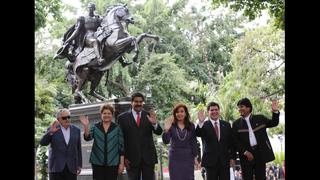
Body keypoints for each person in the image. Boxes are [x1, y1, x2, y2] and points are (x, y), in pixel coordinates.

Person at [117, 92, 163, 180]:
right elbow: (120, 140)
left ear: (143, 103)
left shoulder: (149, 115)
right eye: (136, 101)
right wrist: (123, 158)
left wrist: (155, 124)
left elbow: (159, 132)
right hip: (131, 159)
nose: (138, 104)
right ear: (132, 102)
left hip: (148, 158)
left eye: (141, 102)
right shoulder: (122, 118)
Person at [232, 98, 280, 180]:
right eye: (239, 107)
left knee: (261, 177)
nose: (239, 109)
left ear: (248, 108)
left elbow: (274, 123)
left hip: (260, 154)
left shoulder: (260, 118)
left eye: (242, 107)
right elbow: (235, 142)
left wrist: (275, 112)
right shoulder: (236, 124)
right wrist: (245, 152)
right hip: (245, 156)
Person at [79, 104, 125, 180]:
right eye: (104, 113)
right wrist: (86, 126)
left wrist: (121, 164)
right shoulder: (95, 126)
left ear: (112, 115)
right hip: (97, 162)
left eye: (109, 113)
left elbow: (121, 147)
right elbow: (87, 138)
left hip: (113, 162)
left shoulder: (117, 128)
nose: (106, 115)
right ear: (101, 114)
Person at [195, 102, 236, 180]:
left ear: (219, 111)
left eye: (216, 110)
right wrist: (200, 122)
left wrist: (232, 158)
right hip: (210, 162)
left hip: (225, 161)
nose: (214, 112)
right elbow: (198, 133)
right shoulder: (204, 124)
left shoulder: (226, 125)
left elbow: (231, 143)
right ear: (208, 112)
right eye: (212, 110)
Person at [40, 108, 82, 180]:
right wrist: (51, 133)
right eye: (64, 118)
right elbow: (43, 143)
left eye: (68, 117)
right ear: (58, 119)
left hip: (71, 167)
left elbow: (78, 148)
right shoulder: (52, 128)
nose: (67, 119)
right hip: (56, 167)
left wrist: (79, 165)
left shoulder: (76, 130)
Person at [162, 103, 200, 180]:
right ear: (175, 114)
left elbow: (193, 142)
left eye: (182, 111)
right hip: (174, 158)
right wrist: (166, 130)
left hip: (188, 158)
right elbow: (166, 141)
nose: (179, 114)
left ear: (185, 113)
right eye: (177, 112)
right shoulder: (171, 125)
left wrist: (196, 158)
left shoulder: (191, 125)